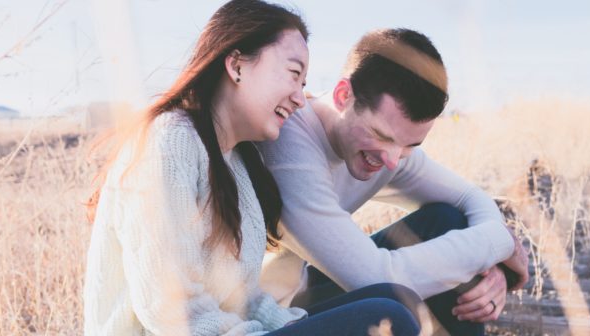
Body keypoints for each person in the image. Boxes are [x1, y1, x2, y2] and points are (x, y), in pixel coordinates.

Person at [83, 1, 422, 335]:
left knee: (397, 298)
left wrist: (291, 325)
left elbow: (241, 297)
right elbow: (169, 310)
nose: (300, 98)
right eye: (293, 74)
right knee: (388, 314)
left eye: (304, 85)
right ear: (237, 65)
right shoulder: (170, 141)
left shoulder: (235, 161)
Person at [257, 28, 530, 335]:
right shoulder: (289, 143)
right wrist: (498, 244)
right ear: (343, 96)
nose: (391, 159)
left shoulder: (391, 150)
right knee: (391, 308)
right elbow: (375, 277)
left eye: (411, 145)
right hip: (263, 320)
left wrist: (488, 267)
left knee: (448, 220)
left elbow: (469, 197)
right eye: (381, 136)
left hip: (303, 294)